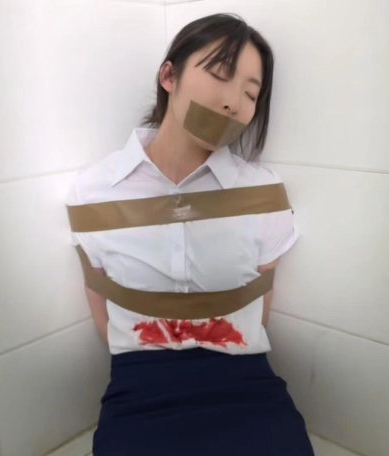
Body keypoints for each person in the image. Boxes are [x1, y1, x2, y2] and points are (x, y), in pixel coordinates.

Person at [66, 13, 313, 456]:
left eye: (250, 93)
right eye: (219, 75)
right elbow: (103, 310)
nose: (233, 103)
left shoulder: (264, 193)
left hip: (245, 382)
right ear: (169, 76)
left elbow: (258, 309)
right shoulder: (93, 192)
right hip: (139, 387)